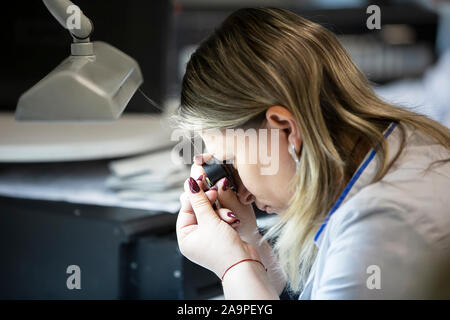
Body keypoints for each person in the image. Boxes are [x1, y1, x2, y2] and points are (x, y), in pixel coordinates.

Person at [172, 8, 450, 299]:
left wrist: (234, 267)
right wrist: (249, 244)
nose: (242, 195)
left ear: (285, 129)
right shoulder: (403, 139)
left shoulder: (377, 226)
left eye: (232, 163)